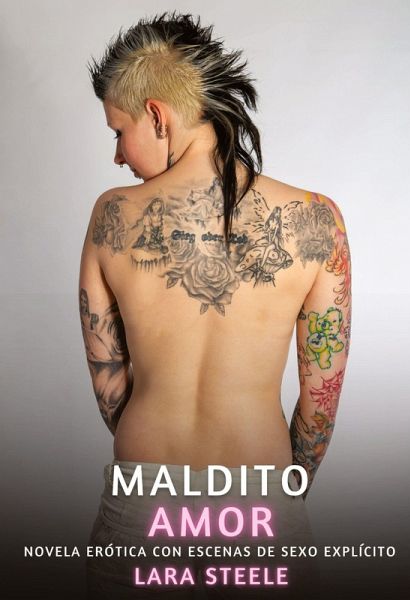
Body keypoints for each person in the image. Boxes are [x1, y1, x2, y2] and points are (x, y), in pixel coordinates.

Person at [79, 10, 352, 599]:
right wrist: (281, 494)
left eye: (118, 131)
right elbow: (321, 402)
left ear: (157, 116)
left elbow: (110, 386)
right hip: (261, 497)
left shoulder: (111, 217)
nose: (118, 156)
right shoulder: (315, 220)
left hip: (144, 499)